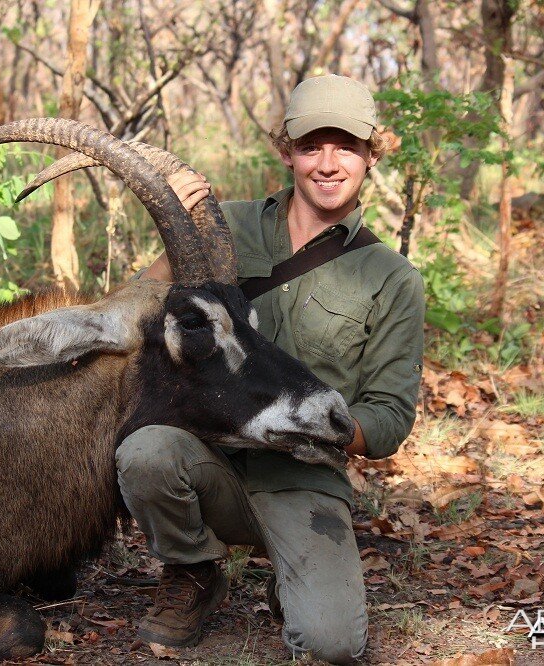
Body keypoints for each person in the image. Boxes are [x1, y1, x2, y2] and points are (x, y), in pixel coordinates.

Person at [117, 74, 425, 664]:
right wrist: (176, 214)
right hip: (208, 460)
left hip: (301, 478)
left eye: (347, 148)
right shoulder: (223, 227)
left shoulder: (392, 279)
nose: (329, 165)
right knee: (145, 451)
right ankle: (194, 571)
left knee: (331, 645)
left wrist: (320, 424)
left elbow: (387, 420)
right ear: (286, 151)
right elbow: (137, 308)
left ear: (371, 155)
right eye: (312, 147)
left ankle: (293, 574)